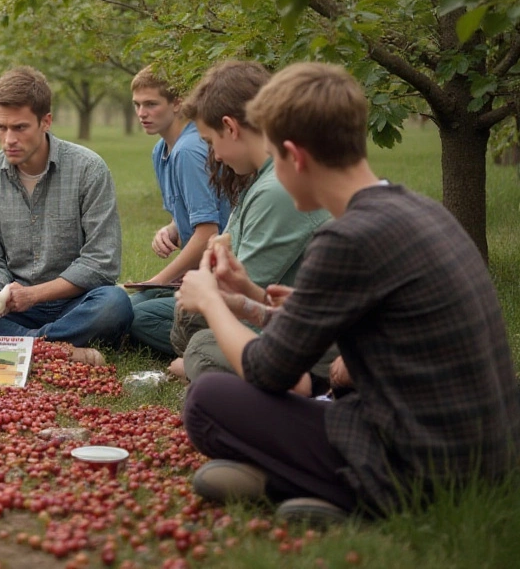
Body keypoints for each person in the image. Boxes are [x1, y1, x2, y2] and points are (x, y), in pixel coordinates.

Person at [175, 62, 520, 524]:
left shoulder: (347, 239)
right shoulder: (416, 208)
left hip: (424, 466)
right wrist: (245, 304)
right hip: (483, 449)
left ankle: (351, 493)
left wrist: (211, 302)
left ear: (295, 157)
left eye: (275, 159)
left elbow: (267, 371)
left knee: (207, 401)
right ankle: (295, 481)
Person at [0, 67, 132, 361]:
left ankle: (12, 348)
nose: (8, 138)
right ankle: (54, 350)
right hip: (12, 308)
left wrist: (33, 295)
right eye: (1, 127)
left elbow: (102, 263)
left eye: (20, 128)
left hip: (74, 302)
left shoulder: (89, 170)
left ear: (45, 121)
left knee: (115, 304)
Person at [166, 61, 330, 384]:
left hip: (304, 348)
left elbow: (240, 300)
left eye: (210, 142)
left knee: (198, 345)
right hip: (278, 318)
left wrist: (209, 290)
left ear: (230, 127)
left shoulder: (277, 190)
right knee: (179, 320)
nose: (215, 157)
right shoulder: (261, 181)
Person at [126, 66, 230, 356]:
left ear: (177, 103)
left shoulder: (189, 151)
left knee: (136, 317)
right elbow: (191, 210)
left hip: (221, 277)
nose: (142, 113)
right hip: (196, 273)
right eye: (137, 105)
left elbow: (208, 232)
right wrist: (171, 228)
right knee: (125, 307)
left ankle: (215, 348)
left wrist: (158, 280)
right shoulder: (161, 150)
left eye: (151, 104)